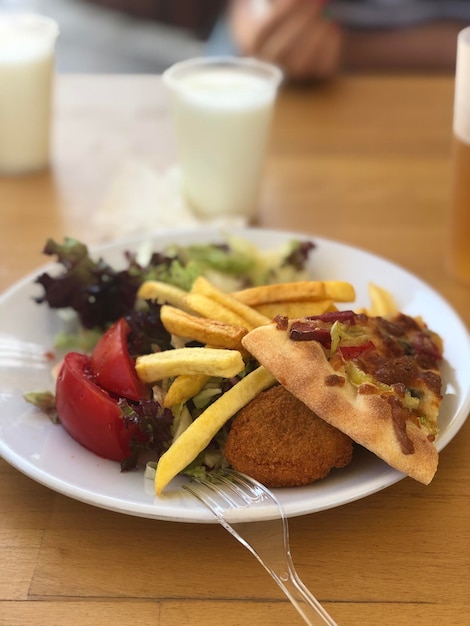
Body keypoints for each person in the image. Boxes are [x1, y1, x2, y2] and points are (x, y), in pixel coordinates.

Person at [208, 0, 470, 81]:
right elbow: (250, 12)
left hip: (441, 88)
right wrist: (253, 17)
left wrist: (344, 48)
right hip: (256, 68)